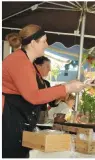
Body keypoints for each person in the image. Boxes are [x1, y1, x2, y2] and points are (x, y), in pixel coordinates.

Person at [2, 24, 87, 158]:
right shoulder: (19, 61)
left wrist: (66, 85)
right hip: (10, 122)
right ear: (33, 43)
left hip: (20, 121)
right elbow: (34, 96)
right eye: (44, 41)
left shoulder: (27, 62)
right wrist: (67, 88)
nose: (47, 45)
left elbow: (39, 91)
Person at [34, 56, 59, 123]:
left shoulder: (46, 83)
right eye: (47, 66)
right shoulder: (32, 80)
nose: (50, 69)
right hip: (33, 113)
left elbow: (52, 103)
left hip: (44, 114)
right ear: (38, 66)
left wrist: (59, 96)